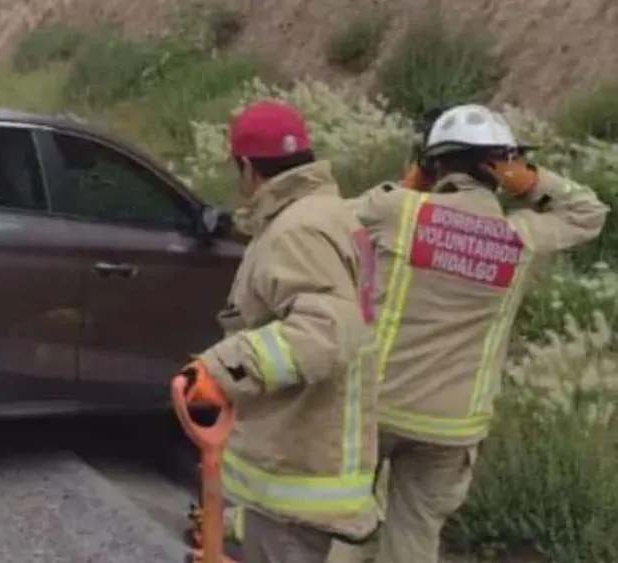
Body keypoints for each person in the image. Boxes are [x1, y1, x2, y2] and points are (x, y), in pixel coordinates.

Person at [347, 103, 609, 563]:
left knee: (344, 522)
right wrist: (534, 181)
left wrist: (404, 188)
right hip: (452, 425)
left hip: (377, 405)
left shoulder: (398, 212)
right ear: (500, 170)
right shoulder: (518, 236)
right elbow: (589, 213)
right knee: (415, 535)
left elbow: (322, 222)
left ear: (432, 164)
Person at [178, 100, 379, 563]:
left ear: (248, 169)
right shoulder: (332, 214)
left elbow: (324, 331)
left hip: (296, 471)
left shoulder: (296, 231)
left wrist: (221, 369)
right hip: (313, 450)